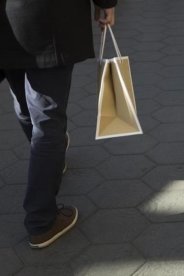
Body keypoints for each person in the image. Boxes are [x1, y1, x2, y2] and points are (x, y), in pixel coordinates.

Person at [0, 0, 117, 249]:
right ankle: (42, 221)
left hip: (7, 22)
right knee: (47, 122)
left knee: (24, 102)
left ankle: (52, 160)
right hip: (46, 19)